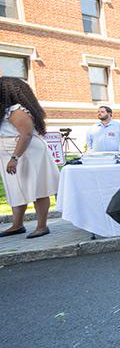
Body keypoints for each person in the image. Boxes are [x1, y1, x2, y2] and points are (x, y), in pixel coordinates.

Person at [0, 77, 58, 239]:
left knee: (38, 188)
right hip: (12, 156)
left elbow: (25, 135)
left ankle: (41, 226)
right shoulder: (5, 110)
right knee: (15, 189)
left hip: (27, 154)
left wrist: (14, 157)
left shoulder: (16, 110)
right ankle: (17, 225)